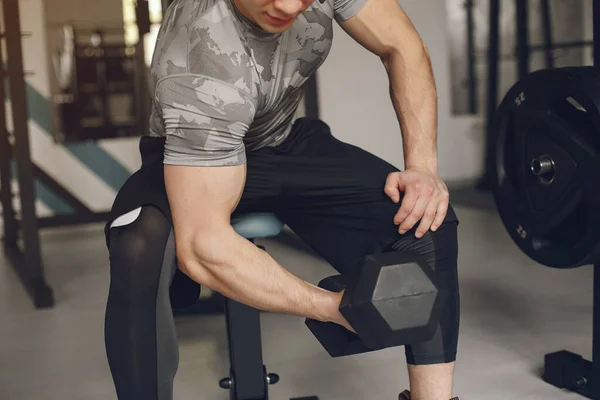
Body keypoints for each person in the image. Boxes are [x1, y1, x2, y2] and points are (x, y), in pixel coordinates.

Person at [103, 0, 460, 398]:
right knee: (139, 244)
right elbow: (203, 246)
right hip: (189, 153)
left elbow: (401, 45)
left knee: (424, 215)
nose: (289, 6)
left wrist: (423, 169)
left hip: (282, 141)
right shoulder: (196, 54)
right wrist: (332, 307)